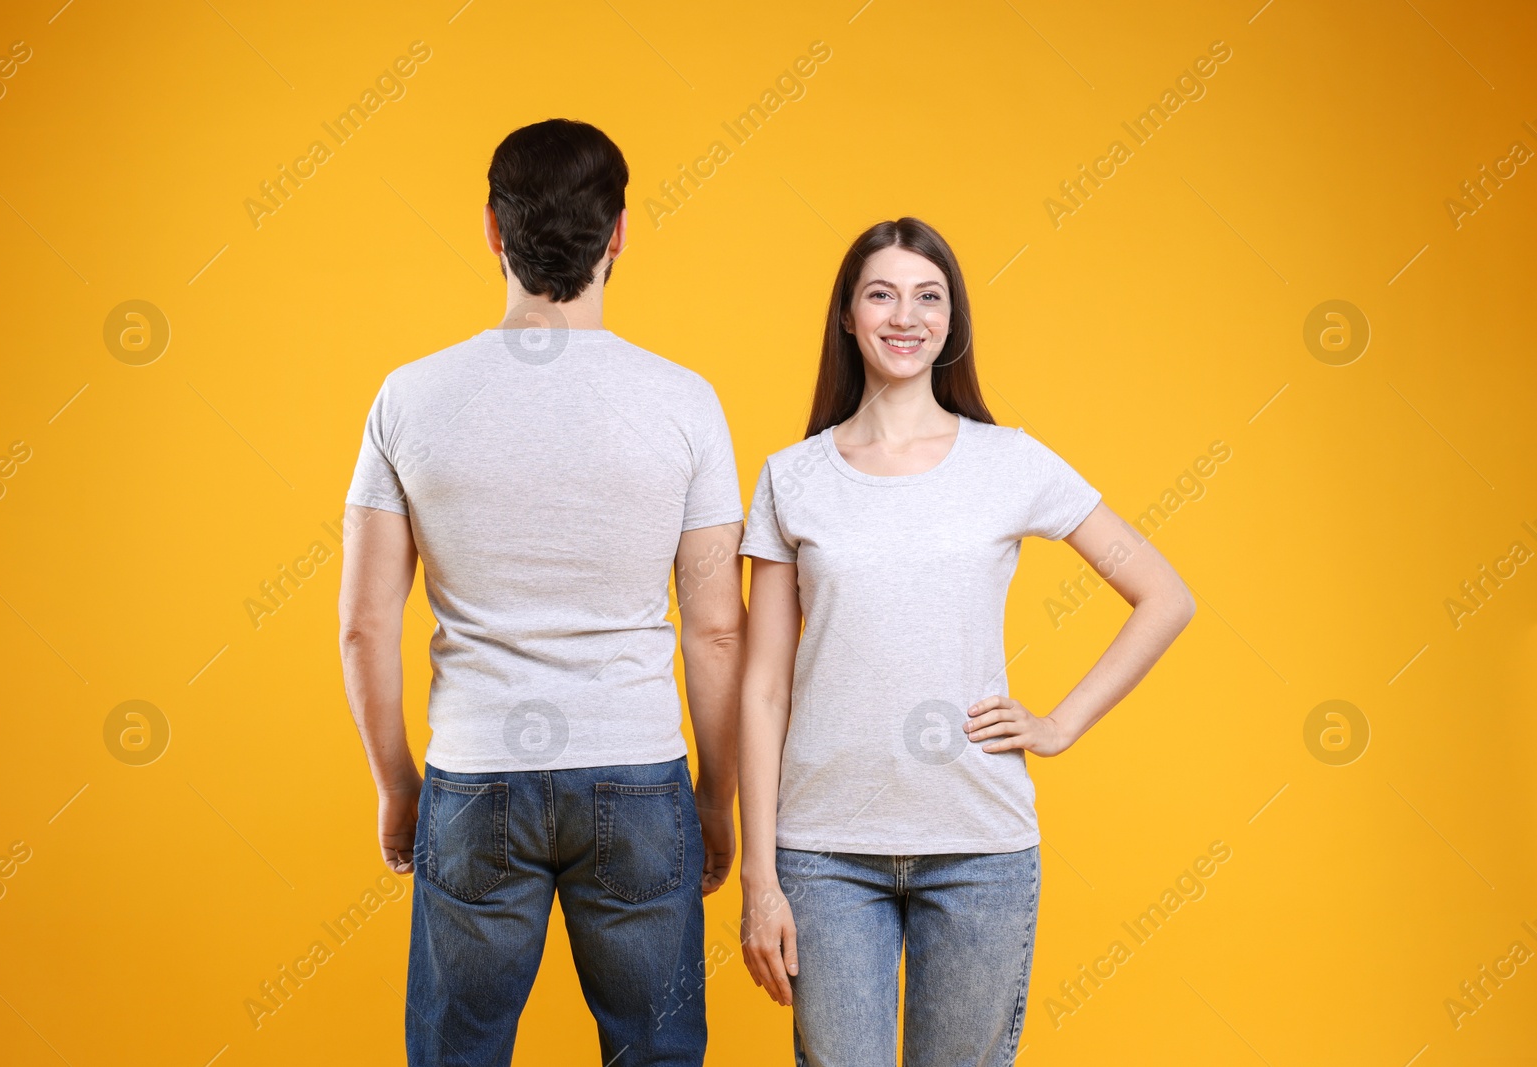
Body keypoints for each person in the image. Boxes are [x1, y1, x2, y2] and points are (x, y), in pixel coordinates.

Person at [736, 217, 1195, 1066]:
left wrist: (1058, 724)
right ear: (846, 314)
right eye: (881, 293)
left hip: (980, 848)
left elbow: (1164, 595)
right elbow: (762, 690)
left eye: (928, 296)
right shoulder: (791, 477)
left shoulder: (1009, 462)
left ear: (953, 320)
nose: (905, 315)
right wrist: (760, 877)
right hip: (827, 852)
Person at [337, 118, 746, 1067]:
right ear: (620, 234)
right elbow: (717, 630)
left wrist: (400, 786)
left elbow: (364, 626)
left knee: (457, 1054)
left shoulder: (410, 397)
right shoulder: (685, 401)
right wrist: (716, 798)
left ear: (492, 228)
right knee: (657, 1052)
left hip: (476, 774)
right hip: (640, 774)